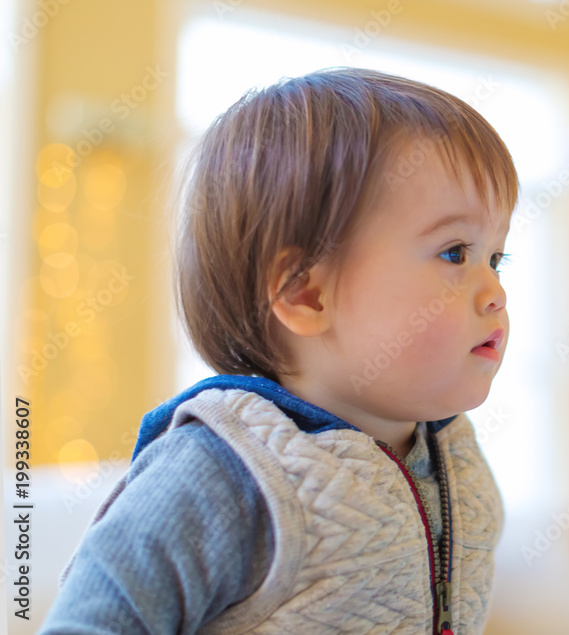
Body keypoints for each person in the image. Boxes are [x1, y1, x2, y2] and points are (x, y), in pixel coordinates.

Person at [39, 67, 518, 634]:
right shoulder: (226, 469)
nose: (496, 292)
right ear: (305, 293)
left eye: (496, 258)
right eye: (454, 252)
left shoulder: (455, 457)